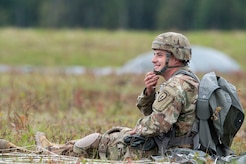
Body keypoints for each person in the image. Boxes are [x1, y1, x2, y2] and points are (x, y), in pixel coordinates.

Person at [0, 32, 199, 161]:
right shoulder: (188, 80)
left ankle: (29, 154)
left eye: (158, 55)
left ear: (173, 57)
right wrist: (149, 94)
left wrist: (135, 130)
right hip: (171, 147)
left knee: (97, 142)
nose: (153, 59)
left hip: (161, 152)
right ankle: (54, 148)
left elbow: (158, 126)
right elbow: (166, 118)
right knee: (114, 134)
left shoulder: (174, 87)